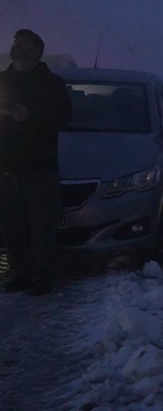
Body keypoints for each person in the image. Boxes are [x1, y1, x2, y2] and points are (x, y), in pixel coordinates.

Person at [0, 29, 72, 295]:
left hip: (40, 167)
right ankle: (20, 273)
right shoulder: (2, 80)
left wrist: (29, 114)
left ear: (35, 51)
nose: (16, 47)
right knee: (12, 228)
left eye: (22, 44)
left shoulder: (52, 83)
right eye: (15, 43)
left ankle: (41, 276)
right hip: (6, 167)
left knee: (41, 227)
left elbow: (64, 116)